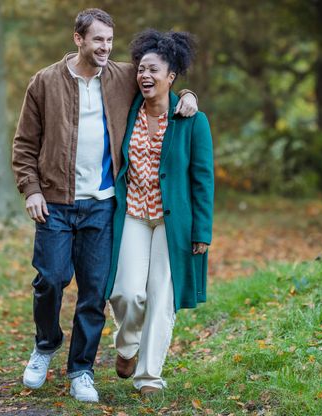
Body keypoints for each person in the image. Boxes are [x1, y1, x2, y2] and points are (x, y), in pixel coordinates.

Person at [11, 9, 198, 403]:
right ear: (78, 39)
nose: (105, 48)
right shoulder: (44, 83)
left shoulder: (121, 76)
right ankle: (46, 344)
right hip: (56, 203)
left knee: (95, 292)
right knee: (51, 279)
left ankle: (81, 368)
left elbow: (163, 81)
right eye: (98, 40)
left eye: (110, 41)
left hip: (102, 206)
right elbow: (25, 144)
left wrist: (190, 98)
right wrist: (31, 189)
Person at [104, 29, 214, 396]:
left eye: (154, 70)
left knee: (161, 296)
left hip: (173, 222)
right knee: (127, 293)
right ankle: (127, 346)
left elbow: (203, 179)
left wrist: (202, 232)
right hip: (133, 212)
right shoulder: (127, 106)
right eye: (141, 69)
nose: (145, 76)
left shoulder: (192, 120)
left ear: (172, 76)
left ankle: (149, 376)